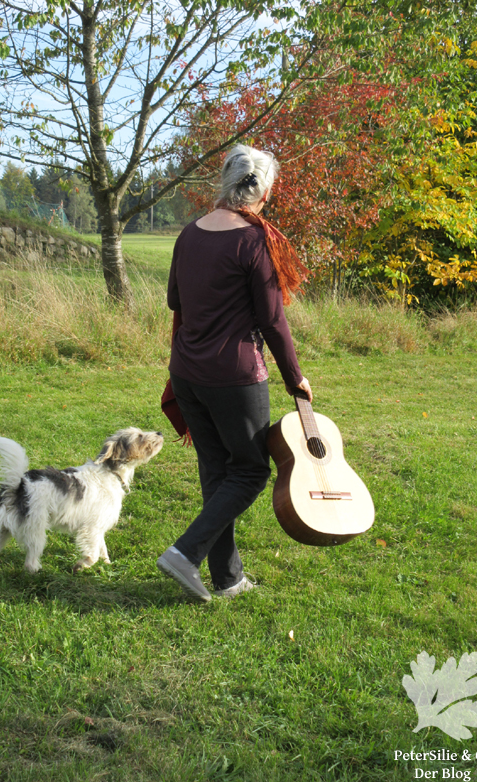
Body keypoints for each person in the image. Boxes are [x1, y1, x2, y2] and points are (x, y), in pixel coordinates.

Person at [157, 144, 312, 602]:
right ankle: (185, 553)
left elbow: (175, 300)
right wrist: (295, 376)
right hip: (234, 377)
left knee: (215, 472)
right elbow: (272, 320)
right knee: (249, 472)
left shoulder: (189, 233)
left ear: (225, 182)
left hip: (187, 373)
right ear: (264, 193)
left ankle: (227, 579)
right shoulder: (255, 240)